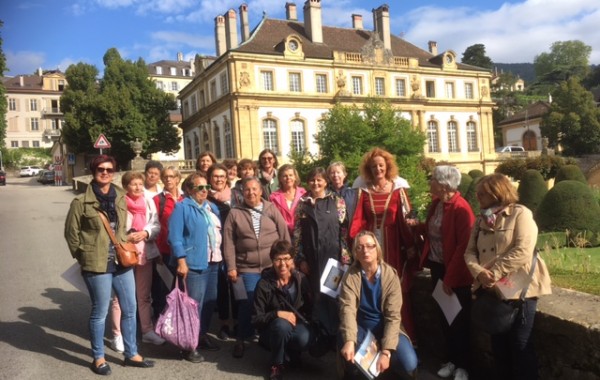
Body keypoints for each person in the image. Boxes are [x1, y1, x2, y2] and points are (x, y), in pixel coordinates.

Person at [64, 155, 154, 375]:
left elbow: (123, 227)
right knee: (100, 311)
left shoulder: (121, 197)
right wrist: (85, 255)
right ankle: (98, 357)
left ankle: (131, 353)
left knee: (130, 308)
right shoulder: (80, 202)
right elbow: (71, 234)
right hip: (97, 263)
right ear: (94, 171)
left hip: (121, 259)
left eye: (109, 169)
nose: (105, 172)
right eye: (100, 169)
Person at [464, 173, 551, 380]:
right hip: (492, 290)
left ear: (497, 193)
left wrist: (493, 272)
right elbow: (469, 252)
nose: (478, 197)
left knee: (521, 346)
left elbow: (523, 250)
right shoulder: (481, 220)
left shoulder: (520, 214)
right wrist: (479, 273)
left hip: (520, 289)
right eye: (477, 193)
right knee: (499, 347)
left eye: (482, 193)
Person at [349, 147, 417, 342]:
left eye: (381, 165)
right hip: (370, 248)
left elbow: (405, 220)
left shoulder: (398, 190)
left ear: (387, 166)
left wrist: (410, 244)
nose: (378, 169)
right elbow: (358, 220)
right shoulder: (364, 191)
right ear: (369, 170)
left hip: (393, 246)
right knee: (370, 290)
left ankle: (403, 339)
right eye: (374, 166)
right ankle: (373, 340)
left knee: (395, 291)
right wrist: (357, 246)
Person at [416, 166, 475, 380]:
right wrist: (417, 227)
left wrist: (451, 277)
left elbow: (464, 247)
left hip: (455, 273)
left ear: (443, 185)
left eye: (432, 179)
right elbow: (433, 231)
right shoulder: (437, 204)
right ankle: (450, 360)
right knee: (444, 317)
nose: (429, 182)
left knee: (459, 321)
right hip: (438, 267)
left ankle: (463, 366)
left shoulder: (461, 208)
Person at [223, 176, 290, 358]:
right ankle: (242, 339)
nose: (251, 193)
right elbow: (228, 242)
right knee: (248, 300)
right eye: (247, 190)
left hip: (272, 266)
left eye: (254, 189)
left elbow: (284, 235)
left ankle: (268, 336)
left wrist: (288, 262)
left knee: (274, 300)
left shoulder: (270, 208)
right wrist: (231, 266)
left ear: (261, 191)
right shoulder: (235, 213)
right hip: (246, 267)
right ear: (241, 192)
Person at [339, 230, 418, 379]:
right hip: (360, 328)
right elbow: (347, 310)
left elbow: (393, 316)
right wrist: (349, 340)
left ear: (378, 249)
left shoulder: (390, 276)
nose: (365, 250)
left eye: (370, 246)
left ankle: (383, 365)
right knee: (354, 353)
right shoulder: (350, 276)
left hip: (384, 326)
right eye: (360, 247)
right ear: (355, 252)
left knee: (410, 362)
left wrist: (387, 351)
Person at [168, 172, 223, 363]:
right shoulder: (182, 207)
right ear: (189, 190)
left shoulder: (211, 206)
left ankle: (201, 335)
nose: (204, 191)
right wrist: (181, 260)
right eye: (200, 187)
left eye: (207, 187)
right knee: (193, 305)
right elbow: (174, 237)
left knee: (209, 302)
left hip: (213, 260)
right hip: (194, 263)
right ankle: (188, 345)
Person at [110, 171, 164, 352]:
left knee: (144, 295)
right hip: (125, 253)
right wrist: (126, 235)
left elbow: (156, 224)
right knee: (119, 296)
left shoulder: (148, 202)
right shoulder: (120, 203)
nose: (138, 187)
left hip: (144, 253)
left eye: (140, 184)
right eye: (134, 184)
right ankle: (117, 334)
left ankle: (147, 330)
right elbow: (112, 228)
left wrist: (146, 233)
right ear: (126, 187)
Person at [294, 167, 350, 341]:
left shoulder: (337, 202)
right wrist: (300, 259)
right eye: (312, 180)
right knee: (315, 296)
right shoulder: (303, 204)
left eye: (319, 180)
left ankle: (336, 335)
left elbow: (344, 232)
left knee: (333, 296)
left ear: (326, 181)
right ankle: (321, 335)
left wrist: (345, 258)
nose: (316, 183)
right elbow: (297, 235)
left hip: (333, 259)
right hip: (311, 259)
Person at [252, 240, 313, 380]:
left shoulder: (300, 279)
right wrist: (277, 314)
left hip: (296, 326)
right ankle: (276, 364)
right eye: (278, 259)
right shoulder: (264, 284)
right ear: (272, 261)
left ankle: (292, 352)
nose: (282, 264)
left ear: (292, 260)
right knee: (281, 325)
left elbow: (308, 307)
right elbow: (256, 319)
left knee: (305, 338)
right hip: (271, 330)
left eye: (286, 259)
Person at [207, 163, 235, 341]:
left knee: (237, 285)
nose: (218, 179)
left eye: (222, 176)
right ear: (210, 178)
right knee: (221, 287)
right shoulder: (204, 197)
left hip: (234, 245)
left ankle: (240, 321)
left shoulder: (235, 196)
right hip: (215, 247)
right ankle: (224, 323)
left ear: (227, 178)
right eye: (215, 176)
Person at [152, 166, 184, 316]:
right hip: (165, 250)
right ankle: (163, 319)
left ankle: (180, 318)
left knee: (183, 287)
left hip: (184, 251)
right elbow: (154, 226)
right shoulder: (158, 200)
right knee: (164, 287)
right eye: (165, 177)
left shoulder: (186, 198)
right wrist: (156, 250)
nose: (168, 179)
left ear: (178, 179)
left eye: (171, 176)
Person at [269, 164, 306, 238]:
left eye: (291, 175)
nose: (288, 178)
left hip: (302, 235)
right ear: (280, 179)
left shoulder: (304, 193)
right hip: (282, 235)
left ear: (295, 177)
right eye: (285, 176)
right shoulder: (273, 197)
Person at [327, 161, 358, 230]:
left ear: (344, 174)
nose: (335, 175)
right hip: (332, 232)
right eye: (332, 173)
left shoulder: (354, 194)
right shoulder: (325, 195)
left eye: (338, 172)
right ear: (329, 176)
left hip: (349, 232)